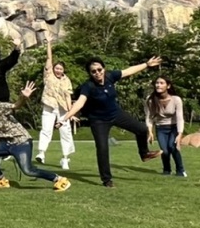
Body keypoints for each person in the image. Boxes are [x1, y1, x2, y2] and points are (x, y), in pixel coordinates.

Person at [56, 56, 163, 188]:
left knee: (142, 129)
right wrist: (64, 118)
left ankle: (144, 153)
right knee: (102, 148)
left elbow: (128, 71)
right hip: (98, 120)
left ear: (104, 69)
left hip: (116, 114)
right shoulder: (88, 86)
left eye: (99, 69)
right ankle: (107, 180)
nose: (97, 73)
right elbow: (80, 103)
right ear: (90, 73)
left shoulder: (110, 76)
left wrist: (146, 64)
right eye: (93, 71)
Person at [35, 30, 75, 170]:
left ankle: (65, 158)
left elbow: (68, 96)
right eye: (56, 68)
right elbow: (49, 59)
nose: (58, 70)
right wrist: (49, 43)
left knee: (66, 132)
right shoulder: (49, 75)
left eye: (60, 69)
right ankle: (41, 153)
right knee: (46, 130)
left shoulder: (66, 80)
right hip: (49, 106)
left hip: (63, 109)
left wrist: (71, 112)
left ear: (63, 70)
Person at [145, 75, 186, 177]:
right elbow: (149, 117)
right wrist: (150, 131)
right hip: (160, 128)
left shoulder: (176, 100)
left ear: (168, 86)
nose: (158, 85)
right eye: (157, 83)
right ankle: (166, 170)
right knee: (165, 151)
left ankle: (180, 171)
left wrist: (180, 134)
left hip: (173, 127)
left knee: (173, 147)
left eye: (161, 83)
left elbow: (180, 118)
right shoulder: (150, 100)